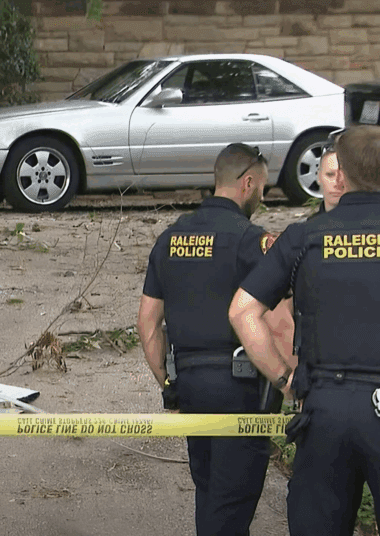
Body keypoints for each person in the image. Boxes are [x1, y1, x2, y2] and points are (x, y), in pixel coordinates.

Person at [229, 125, 380, 536]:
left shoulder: (304, 237)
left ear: (341, 173)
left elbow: (243, 311)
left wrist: (284, 379)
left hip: (324, 407)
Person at [137, 143, 293, 536]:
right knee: (230, 506)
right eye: (263, 188)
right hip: (240, 391)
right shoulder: (252, 241)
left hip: (189, 386)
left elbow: (148, 325)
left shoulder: (169, 239)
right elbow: (278, 324)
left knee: (210, 495)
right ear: (248, 183)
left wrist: (169, 385)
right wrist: (289, 381)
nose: (263, 197)